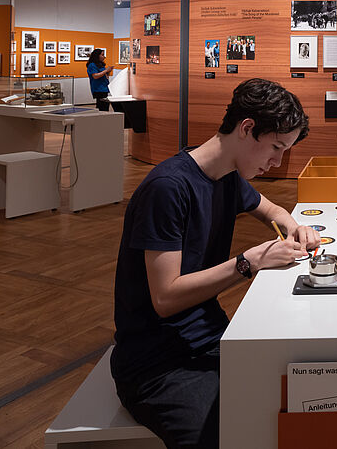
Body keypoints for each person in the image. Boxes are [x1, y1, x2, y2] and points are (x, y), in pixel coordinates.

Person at [110, 78, 320, 448]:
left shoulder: (227, 176)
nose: (276, 162)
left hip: (207, 338)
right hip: (156, 362)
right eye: (275, 148)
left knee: (295, 398)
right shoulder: (167, 188)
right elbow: (166, 298)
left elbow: (269, 208)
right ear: (247, 128)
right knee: (231, 434)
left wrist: (295, 226)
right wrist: (248, 263)